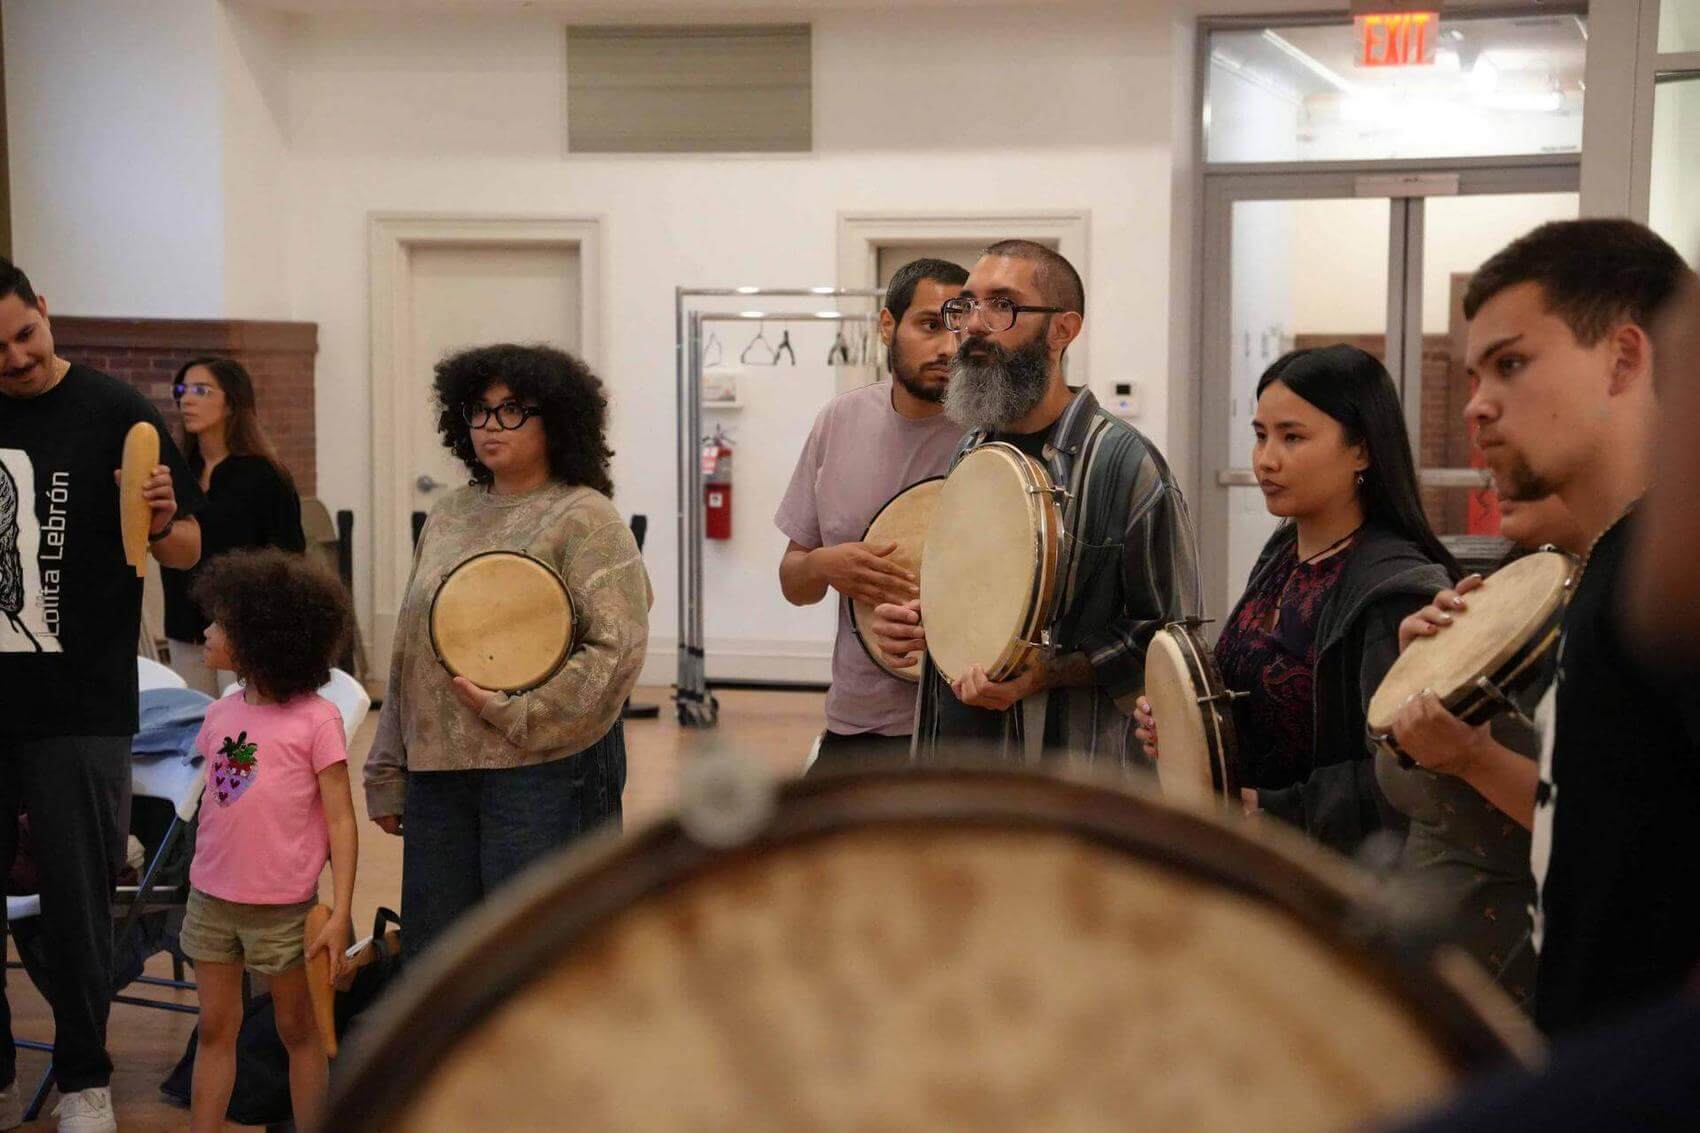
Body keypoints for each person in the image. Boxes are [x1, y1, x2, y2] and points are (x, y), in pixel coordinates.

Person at [1391, 218, 1696, 1037]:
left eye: (1512, 364)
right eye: (1474, 375)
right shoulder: (1607, 572)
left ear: (1623, 358)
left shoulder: (1668, 586)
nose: (1477, 405)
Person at [0, 256, 203, 1133]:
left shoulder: (118, 411)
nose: (17, 358)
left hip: (80, 699)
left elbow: (188, 547)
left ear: (45, 309)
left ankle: (86, 1079)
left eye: (25, 334)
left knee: (81, 899)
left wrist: (159, 521)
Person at [363, 343, 650, 960]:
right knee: (441, 958)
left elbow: (616, 651)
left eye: (512, 410)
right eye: (479, 410)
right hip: (440, 777)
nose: (491, 425)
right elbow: (411, 647)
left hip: (542, 773)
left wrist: (518, 713)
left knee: (534, 959)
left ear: (557, 421)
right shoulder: (449, 514)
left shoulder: (586, 518)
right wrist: (387, 764)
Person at [870, 240, 1200, 766]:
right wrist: (923, 618)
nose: (973, 325)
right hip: (957, 751)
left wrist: (1050, 671)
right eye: (966, 305)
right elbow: (977, 591)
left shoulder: (1125, 464)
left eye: (1002, 305)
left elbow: (1170, 640)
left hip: (1072, 775)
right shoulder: (971, 448)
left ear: (1062, 330)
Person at [1134, 345, 1457, 855]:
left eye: (1292, 437)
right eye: (1260, 435)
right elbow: (1252, 699)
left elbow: (1406, 774)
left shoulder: (1395, 593)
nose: (1267, 459)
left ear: (1362, 450)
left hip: (1332, 878)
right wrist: (1188, 728)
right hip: (1252, 860)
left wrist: (1273, 809)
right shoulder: (1283, 553)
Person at [1378, 491, 1583, 1008]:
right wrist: (1423, 668)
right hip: (1421, 977)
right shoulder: (1512, 587)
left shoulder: (1643, 612)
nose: (1495, 471)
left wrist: (1478, 760)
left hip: (1518, 997)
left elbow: (1612, 821)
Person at [179, 550, 356, 1133]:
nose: (208, 631)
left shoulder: (317, 720)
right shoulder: (219, 713)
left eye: (222, 623)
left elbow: (341, 822)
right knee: (214, 1027)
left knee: (298, 1031)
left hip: (283, 910)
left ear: (261, 638)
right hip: (211, 899)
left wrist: (341, 913)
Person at [775, 258, 967, 772]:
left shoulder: (993, 435)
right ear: (887, 325)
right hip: (860, 720)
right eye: (930, 325)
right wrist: (824, 565)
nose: (948, 348)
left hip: (966, 722)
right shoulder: (839, 422)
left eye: (959, 329)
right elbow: (794, 583)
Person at [161, 357, 306, 695]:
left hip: (244, 628)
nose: (187, 399)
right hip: (185, 625)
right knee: (194, 720)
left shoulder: (265, 475)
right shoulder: (177, 471)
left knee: (242, 724)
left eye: (201, 390)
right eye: (182, 390)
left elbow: (288, 558)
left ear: (231, 402)